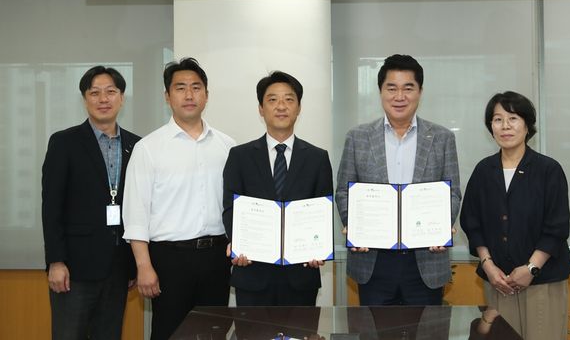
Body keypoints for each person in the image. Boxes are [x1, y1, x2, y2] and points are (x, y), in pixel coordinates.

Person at [122, 57, 235, 340]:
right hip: (169, 260)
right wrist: (144, 266)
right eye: (180, 88)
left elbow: (237, 205)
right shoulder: (148, 148)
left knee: (214, 334)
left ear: (206, 95)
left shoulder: (227, 146)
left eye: (196, 87)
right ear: (167, 96)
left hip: (216, 258)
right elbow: (135, 213)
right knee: (169, 333)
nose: (189, 95)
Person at [335, 54, 462, 305]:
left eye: (408, 88)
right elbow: (343, 192)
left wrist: (440, 226)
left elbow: (452, 193)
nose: (399, 96)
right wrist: (356, 226)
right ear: (380, 91)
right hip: (373, 261)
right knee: (372, 327)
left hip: (425, 261)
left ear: (420, 92)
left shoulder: (442, 138)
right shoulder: (357, 137)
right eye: (391, 88)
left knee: (427, 327)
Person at [459, 91, 570, 340]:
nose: (505, 126)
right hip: (498, 281)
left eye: (513, 118)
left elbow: (557, 227)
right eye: (497, 119)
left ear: (527, 125)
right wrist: (488, 265)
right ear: (490, 126)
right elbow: (472, 222)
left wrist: (531, 268)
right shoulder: (483, 171)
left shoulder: (548, 170)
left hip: (543, 281)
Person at [42, 66, 140, 340]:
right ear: (85, 99)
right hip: (74, 268)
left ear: (121, 98)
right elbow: (51, 206)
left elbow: (140, 208)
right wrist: (56, 261)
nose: (103, 99)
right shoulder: (64, 142)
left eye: (111, 92)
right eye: (95, 93)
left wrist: (135, 265)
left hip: (118, 267)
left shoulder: (137, 145)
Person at [222, 71, 333, 306]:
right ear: (261, 109)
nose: (281, 106)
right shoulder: (240, 156)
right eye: (272, 99)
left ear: (299, 108)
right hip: (252, 273)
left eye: (289, 99)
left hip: (301, 276)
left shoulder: (318, 158)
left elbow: (322, 210)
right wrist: (238, 243)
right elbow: (230, 208)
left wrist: (319, 248)